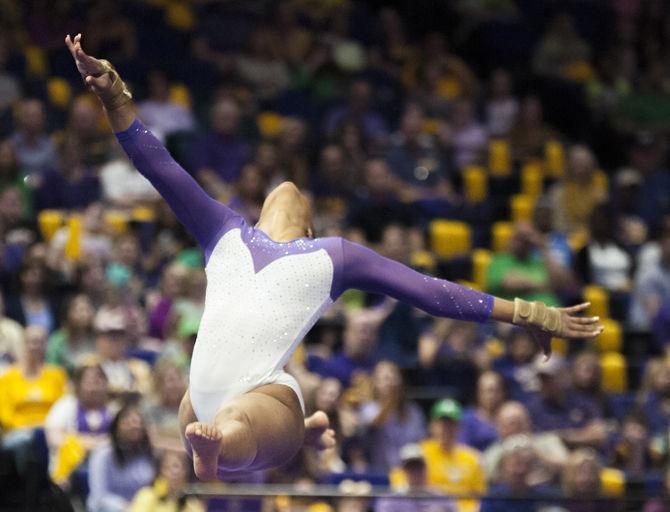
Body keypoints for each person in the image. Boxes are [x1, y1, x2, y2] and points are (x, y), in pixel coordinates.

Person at [65, 34, 602, 481]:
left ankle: (229, 446)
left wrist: (528, 312)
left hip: (242, 412)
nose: (289, 189)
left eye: (298, 194)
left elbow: (430, 291)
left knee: (250, 413)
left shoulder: (331, 256)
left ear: (310, 224)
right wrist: (114, 96)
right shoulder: (222, 227)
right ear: (261, 208)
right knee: (250, 406)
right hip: (206, 400)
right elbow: (160, 167)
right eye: (281, 188)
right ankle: (282, 433)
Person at [87, 404, 156, 512]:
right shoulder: (102, 455)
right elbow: (99, 497)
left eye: (138, 422)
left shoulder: (149, 455)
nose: (135, 426)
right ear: (116, 427)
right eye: (128, 422)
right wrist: (126, 508)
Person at [0, 325, 67, 431]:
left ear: (46, 346)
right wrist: (25, 428)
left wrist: (46, 427)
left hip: (49, 430)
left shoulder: (57, 375)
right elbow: (5, 414)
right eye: (32, 342)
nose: (35, 346)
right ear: (23, 345)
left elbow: (63, 409)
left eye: (41, 342)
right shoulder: (7, 377)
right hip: (18, 433)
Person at [129, 450, 204, 512]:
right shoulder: (147, 495)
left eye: (180, 468)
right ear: (159, 472)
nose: (175, 472)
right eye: (168, 468)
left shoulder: (192, 504)